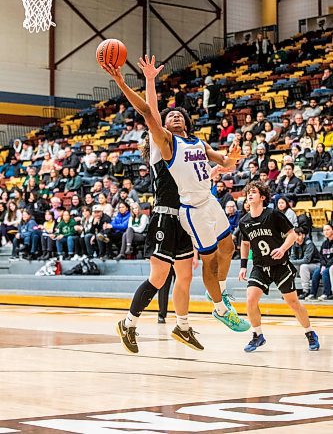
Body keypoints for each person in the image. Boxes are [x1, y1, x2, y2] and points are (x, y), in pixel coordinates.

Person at [103, 56, 250, 344]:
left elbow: (224, 162)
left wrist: (231, 157)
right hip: (165, 215)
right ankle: (129, 322)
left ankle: (182, 325)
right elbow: (149, 111)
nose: (175, 116)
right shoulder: (162, 144)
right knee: (159, 278)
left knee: (185, 276)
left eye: (180, 114)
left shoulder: (196, 144)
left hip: (189, 213)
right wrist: (142, 80)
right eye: (170, 115)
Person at [238, 181, 320, 352]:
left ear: (262, 197)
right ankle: (257, 335)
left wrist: (283, 249)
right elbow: (245, 244)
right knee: (251, 299)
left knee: (293, 302)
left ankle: (309, 332)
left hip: (280, 265)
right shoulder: (244, 221)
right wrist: (243, 266)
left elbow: (292, 234)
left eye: (254, 192)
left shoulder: (273, 215)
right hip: (260, 267)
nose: (250, 195)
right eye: (248, 193)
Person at [290, 227, 321, 299]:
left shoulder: (309, 244)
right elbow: (292, 257)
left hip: (316, 265)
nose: (297, 238)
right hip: (303, 264)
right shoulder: (294, 244)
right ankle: (290, 291)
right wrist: (291, 262)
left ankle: (305, 291)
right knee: (291, 267)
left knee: (303, 266)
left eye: (299, 235)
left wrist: (291, 262)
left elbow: (306, 260)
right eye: (295, 236)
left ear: (303, 235)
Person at [306, 223, 333, 301]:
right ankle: (312, 293)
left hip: (331, 266)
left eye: (328, 230)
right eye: (324, 230)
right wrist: (323, 265)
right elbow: (321, 256)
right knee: (316, 272)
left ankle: (326, 294)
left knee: (325, 272)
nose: (326, 232)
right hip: (326, 265)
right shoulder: (324, 243)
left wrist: (326, 266)